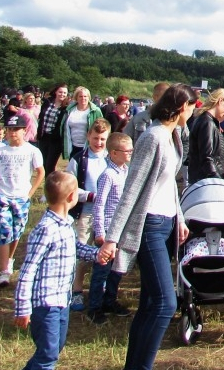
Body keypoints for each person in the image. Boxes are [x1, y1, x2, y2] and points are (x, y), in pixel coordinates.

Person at [96, 83, 198, 370]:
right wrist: (112, 238)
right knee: (166, 304)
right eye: (191, 108)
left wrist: (178, 216)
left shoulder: (173, 136)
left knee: (151, 303)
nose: (192, 113)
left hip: (167, 224)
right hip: (149, 225)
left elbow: (169, 185)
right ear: (180, 108)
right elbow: (132, 189)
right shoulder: (152, 137)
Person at [14, 171, 99, 370]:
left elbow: (75, 248)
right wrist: (22, 307)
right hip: (46, 304)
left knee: (54, 349)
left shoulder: (66, 224)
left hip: (62, 301)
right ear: (71, 197)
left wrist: (96, 254)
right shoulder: (46, 229)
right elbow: (28, 270)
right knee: (47, 356)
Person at [0, 111, 46, 288]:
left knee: (17, 230)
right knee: (3, 230)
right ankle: (4, 270)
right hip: (4, 196)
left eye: (17, 129)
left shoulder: (32, 151)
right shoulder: (0, 150)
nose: (13, 133)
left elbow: (40, 172)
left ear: (24, 130)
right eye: (10, 129)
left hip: (21, 196)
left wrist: (30, 192)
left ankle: (10, 258)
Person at [64, 117, 111, 312]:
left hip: (107, 215)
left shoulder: (111, 159)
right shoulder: (79, 160)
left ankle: (100, 290)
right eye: (95, 138)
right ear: (88, 137)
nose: (98, 142)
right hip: (86, 213)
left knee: (105, 254)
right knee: (82, 253)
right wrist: (91, 196)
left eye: (102, 139)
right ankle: (76, 291)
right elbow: (70, 188)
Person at [86, 132, 134, 324]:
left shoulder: (124, 171)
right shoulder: (107, 175)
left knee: (117, 270)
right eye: (127, 151)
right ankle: (94, 307)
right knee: (101, 271)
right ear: (114, 153)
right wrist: (100, 232)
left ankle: (110, 300)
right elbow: (99, 205)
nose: (130, 154)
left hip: (121, 230)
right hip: (108, 230)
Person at [186, 88, 224, 184]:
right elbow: (207, 157)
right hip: (205, 182)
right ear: (220, 101)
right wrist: (218, 181)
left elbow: (223, 144)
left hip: (205, 180)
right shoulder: (207, 122)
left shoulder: (207, 121)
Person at [62, 86, 103, 161]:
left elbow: (102, 128)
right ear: (76, 98)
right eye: (80, 96)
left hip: (89, 146)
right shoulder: (69, 110)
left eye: (85, 96)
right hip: (73, 146)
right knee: (73, 170)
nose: (83, 98)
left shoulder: (96, 111)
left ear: (89, 97)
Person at [37, 83, 70, 175]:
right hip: (44, 137)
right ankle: (48, 184)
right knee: (43, 163)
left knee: (50, 165)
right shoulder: (48, 102)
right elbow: (41, 118)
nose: (62, 94)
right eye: (60, 92)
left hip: (56, 140)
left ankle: (50, 186)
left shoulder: (66, 107)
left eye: (64, 93)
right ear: (56, 92)